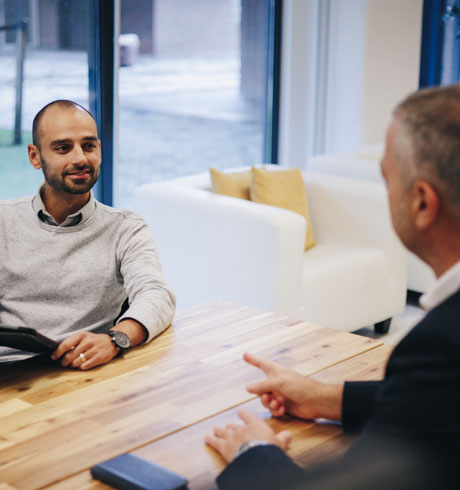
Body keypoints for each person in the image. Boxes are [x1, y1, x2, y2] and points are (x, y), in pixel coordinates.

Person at [205, 85, 460, 489]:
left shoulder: (441, 343)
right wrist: (327, 398)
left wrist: (254, 453)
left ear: (423, 203)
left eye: (387, 180)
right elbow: (444, 402)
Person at [0, 100, 175, 369]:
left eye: (89, 145)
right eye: (63, 148)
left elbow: (156, 295)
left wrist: (116, 339)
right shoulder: (4, 221)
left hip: (84, 371)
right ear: (35, 156)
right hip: (10, 373)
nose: (80, 158)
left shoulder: (125, 228)